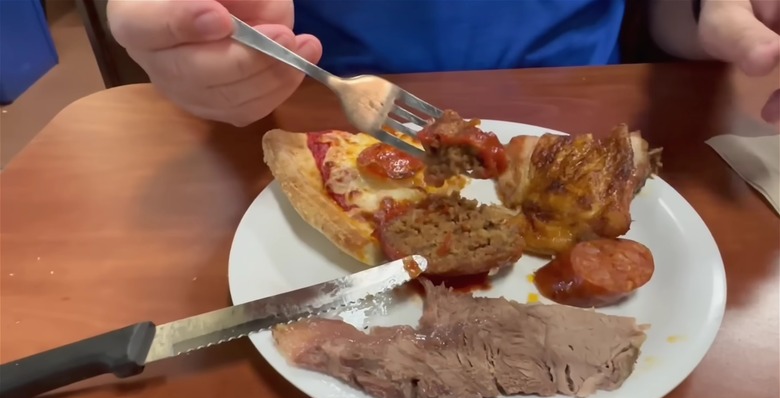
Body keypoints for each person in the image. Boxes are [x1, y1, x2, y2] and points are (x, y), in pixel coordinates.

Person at [106, 0, 780, 127]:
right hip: (312, 116)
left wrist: (716, 19)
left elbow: (665, 18)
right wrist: (194, 46)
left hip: (595, 118)